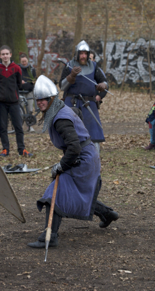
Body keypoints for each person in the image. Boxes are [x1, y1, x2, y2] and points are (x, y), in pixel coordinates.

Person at [27, 75, 119, 249]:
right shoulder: (63, 108)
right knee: (74, 193)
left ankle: (50, 236)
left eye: (44, 99)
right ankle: (108, 214)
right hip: (86, 155)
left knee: (56, 192)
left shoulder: (61, 118)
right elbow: (77, 116)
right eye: (38, 100)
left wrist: (62, 165)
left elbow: (74, 147)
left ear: (52, 98)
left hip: (84, 158)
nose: (40, 103)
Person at [59, 40, 108, 153]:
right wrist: (72, 75)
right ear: (77, 54)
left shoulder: (94, 66)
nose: (83, 56)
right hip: (72, 103)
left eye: (85, 53)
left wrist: (103, 85)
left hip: (89, 104)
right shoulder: (69, 66)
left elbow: (105, 81)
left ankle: (94, 158)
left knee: (93, 133)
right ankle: (71, 159)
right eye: (81, 53)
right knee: (70, 132)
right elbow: (62, 86)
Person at [0, 45, 32, 157]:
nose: (5, 56)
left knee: (18, 126)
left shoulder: (16, 68)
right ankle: (5, 149)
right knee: (3, 127)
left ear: (10, 54)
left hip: (14, 102)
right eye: (3, 54)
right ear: (0, 56)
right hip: (2, 103)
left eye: (7, 54)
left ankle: (22, 149)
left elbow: (19, 84)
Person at [19, 53, 37, 132]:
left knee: (30, 109)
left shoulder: (32, 69)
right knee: (20, 109)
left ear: (27, 60)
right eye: (22, 61)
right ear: (20, 61)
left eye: (25, 61)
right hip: (21, 92)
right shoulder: (18, 69)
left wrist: (34, 82)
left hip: (29, 91)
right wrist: (19, 82)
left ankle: (29, 127)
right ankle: (19, 126)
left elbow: (35, 78)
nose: (24, 63)